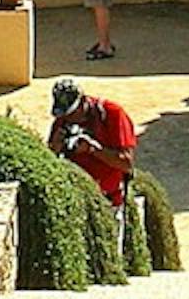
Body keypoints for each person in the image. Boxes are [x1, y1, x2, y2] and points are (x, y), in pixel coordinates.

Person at [46, 77, 138, 206]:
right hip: (76, 200)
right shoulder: (62, 122)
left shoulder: (112, 114)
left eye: (72, 113)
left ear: (83, 101)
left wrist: (93, 149)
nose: (69, 119)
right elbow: (48, 165)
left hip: (110, 200)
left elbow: (126, 163)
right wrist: (54, 149)